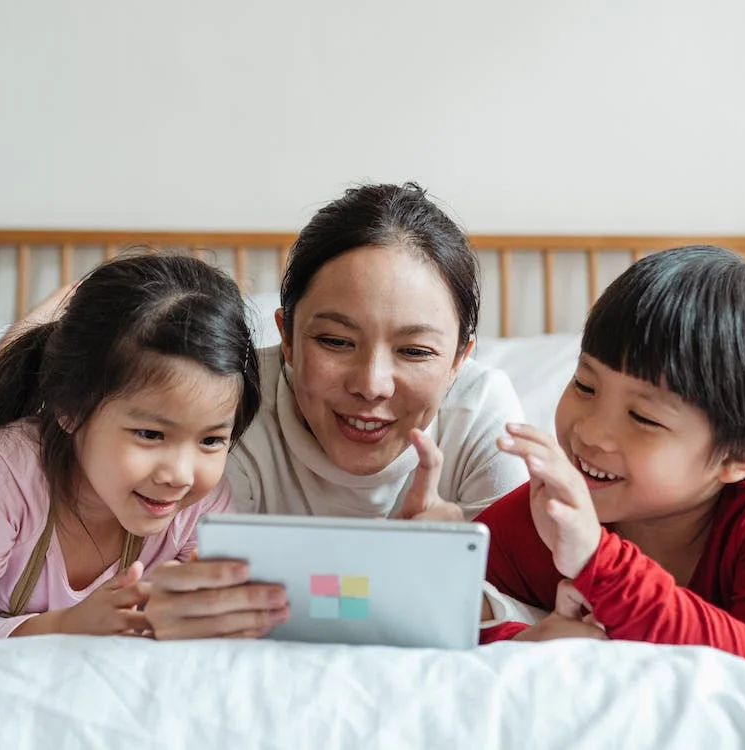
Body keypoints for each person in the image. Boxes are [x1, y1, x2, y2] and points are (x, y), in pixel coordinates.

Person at [477, 245, 745, 681]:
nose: (590, 434)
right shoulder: (550, 513)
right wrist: (524, 640)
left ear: (739, 456)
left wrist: (598, 561)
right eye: (585, 386)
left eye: (643, 417)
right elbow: (443, 601)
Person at [144, 183, 531, 640]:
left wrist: (451, 578)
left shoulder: (483, 412)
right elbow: (168, 575)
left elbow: (545, 609)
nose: (370, 385)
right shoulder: (233, 401)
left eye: (414, 350)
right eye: (334, 342)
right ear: (286, 338)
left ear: (458, 361)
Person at [0, 252, 265, 651]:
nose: (180, 474)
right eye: (150, 434)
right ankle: (28, 333)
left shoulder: (202, 502)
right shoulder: (7, 467)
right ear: (70, 409)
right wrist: (69, 624)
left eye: (211, 440)